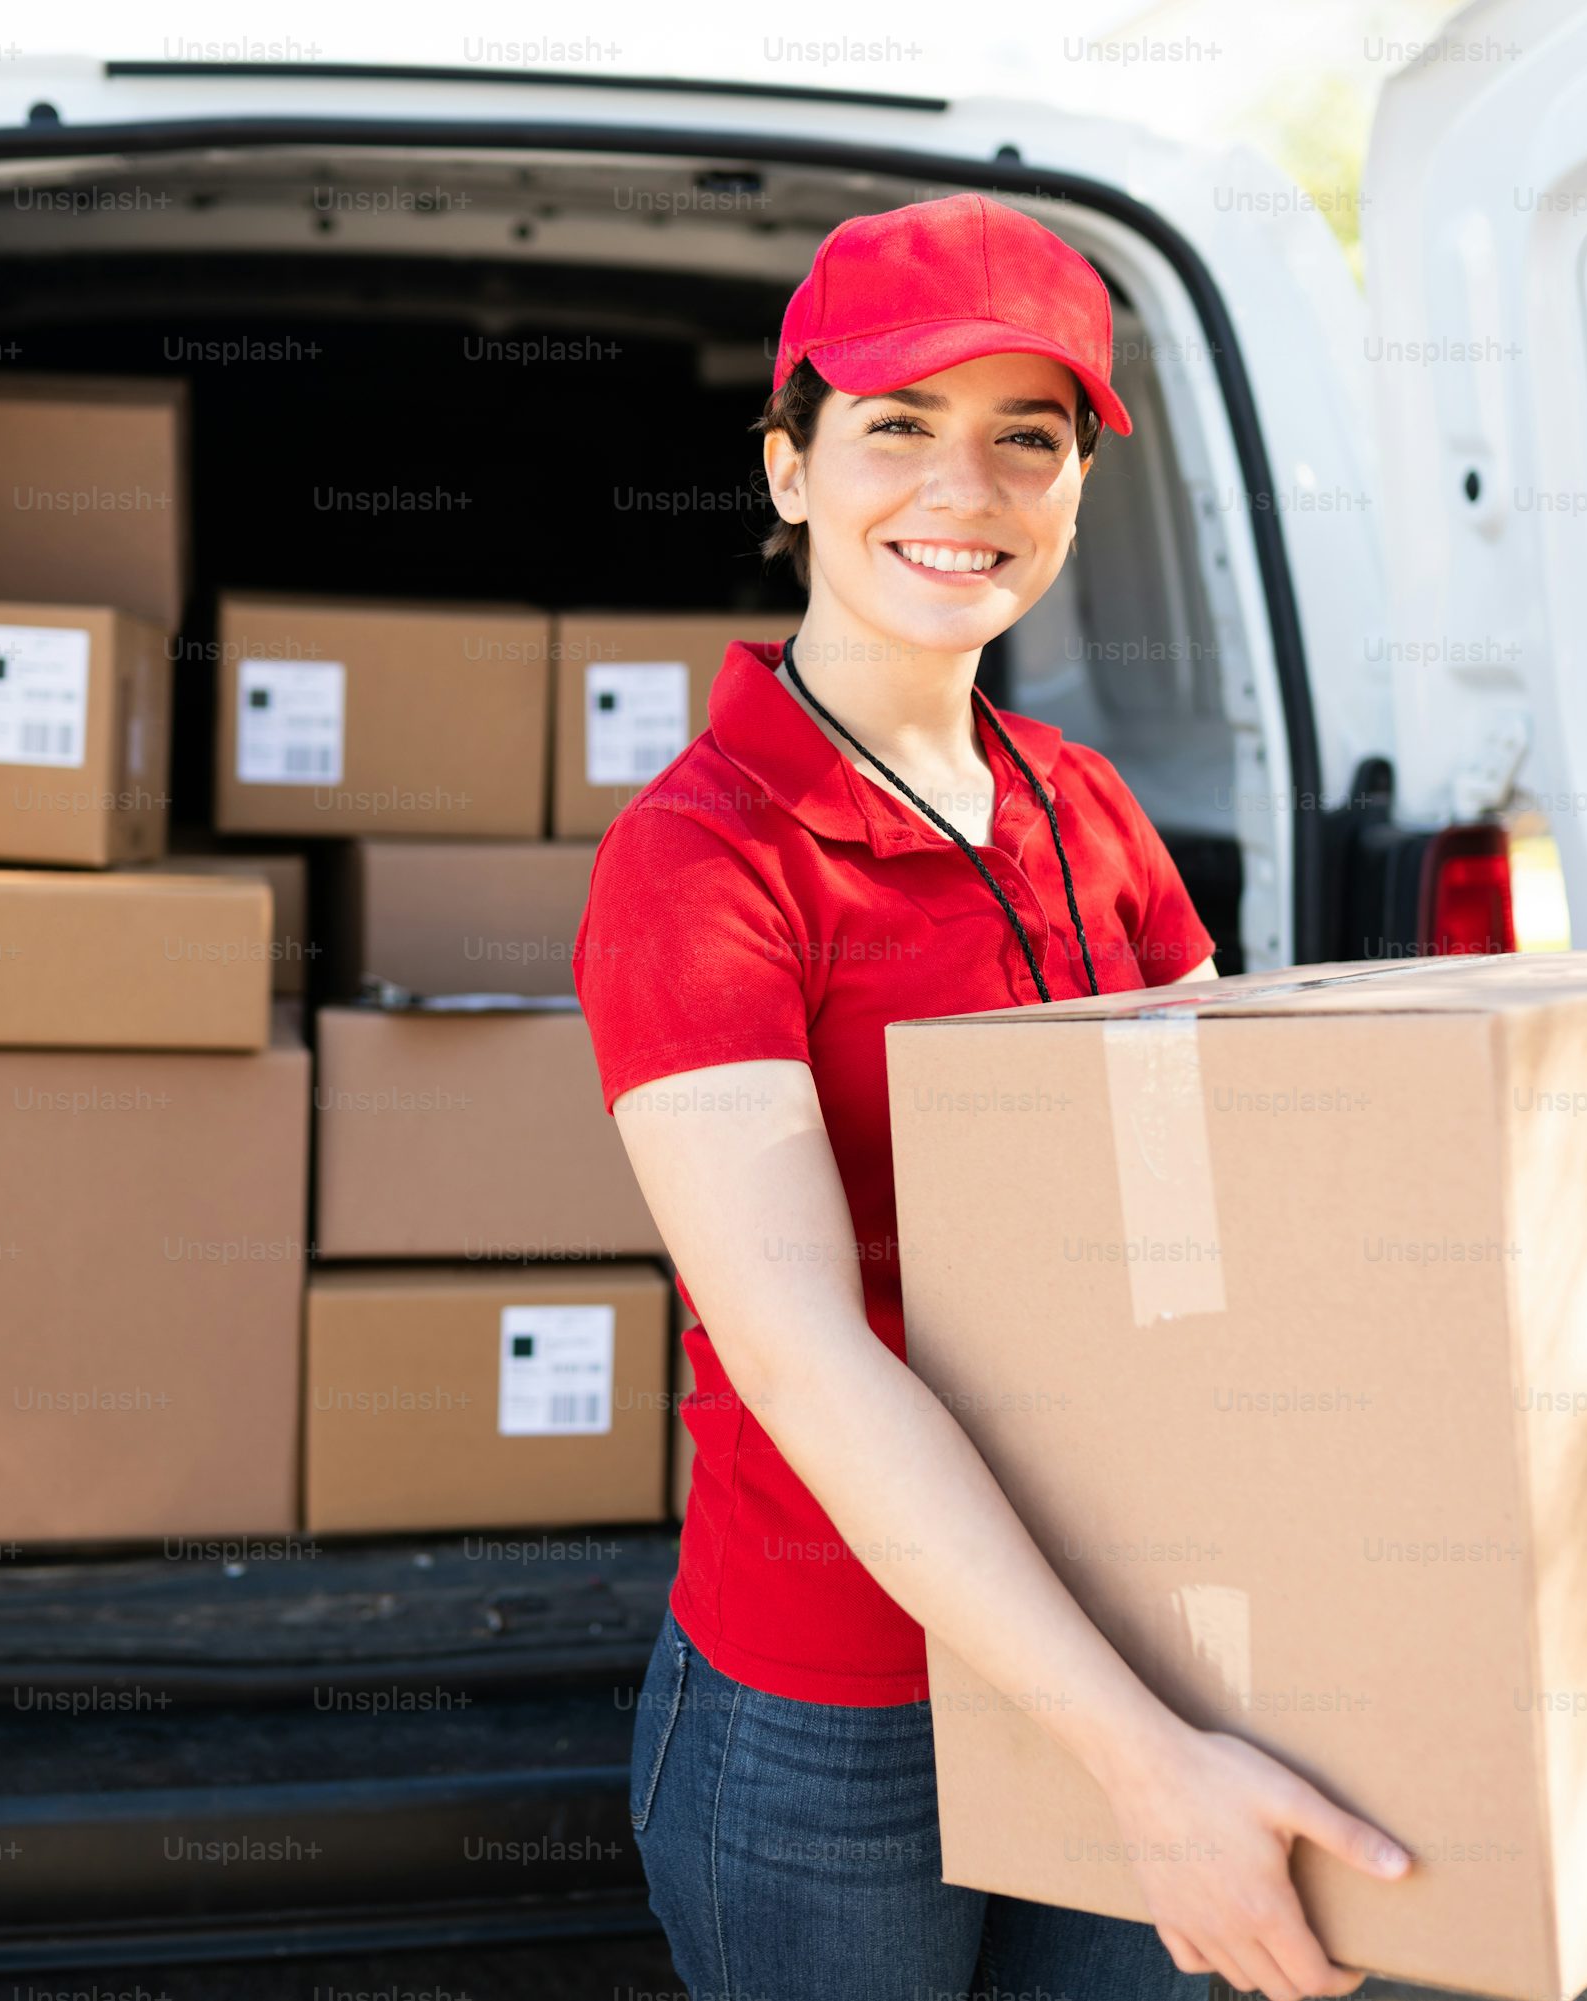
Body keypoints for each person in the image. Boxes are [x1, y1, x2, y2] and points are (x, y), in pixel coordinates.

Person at [572, 194, 1410, 2001]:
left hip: (1138, 1613)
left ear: (1075, 498)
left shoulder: (1086, 806)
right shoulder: (700, 860)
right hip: (839, 1698)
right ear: (788, 467)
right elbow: (802, 1352)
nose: (965, 493)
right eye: (898, 429)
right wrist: (1145, 1757)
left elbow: (1234, 1199)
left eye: (1026, 443)